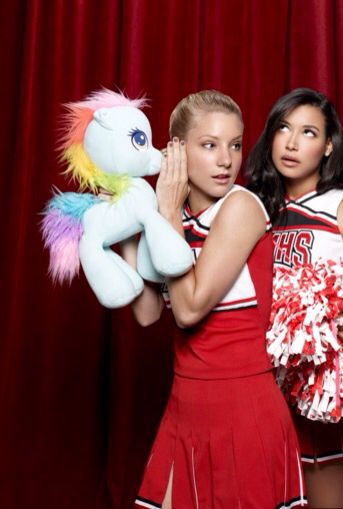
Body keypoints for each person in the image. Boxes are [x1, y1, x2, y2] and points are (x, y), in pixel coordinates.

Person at [124, 90, 306, 509]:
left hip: (242, 408)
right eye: (210, 145)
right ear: (175, 151)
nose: (226, 160)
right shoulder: (172, 216)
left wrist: (164, 214)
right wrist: (129, 229)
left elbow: (188, 310)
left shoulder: (241, 207)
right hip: (185, 404)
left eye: (235, 145)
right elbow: (149, 313)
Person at [246, 87, 343, 508]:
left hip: (320, 392)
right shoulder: (252, 208)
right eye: (283, 128)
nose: (290, 142)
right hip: (257, 385)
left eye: (307, 132)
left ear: (328, 147)